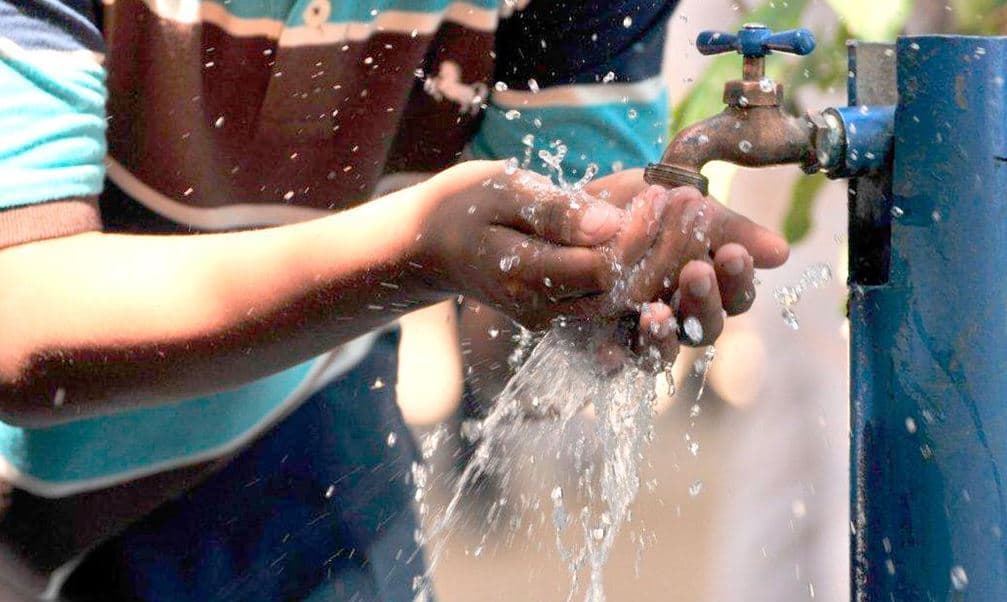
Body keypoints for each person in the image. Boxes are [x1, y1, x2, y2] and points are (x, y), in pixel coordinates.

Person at [0, 0, 789, 600]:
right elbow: (19, 310)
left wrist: (605, 279)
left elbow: (541, 296)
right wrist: (411, 253)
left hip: (289, 411)